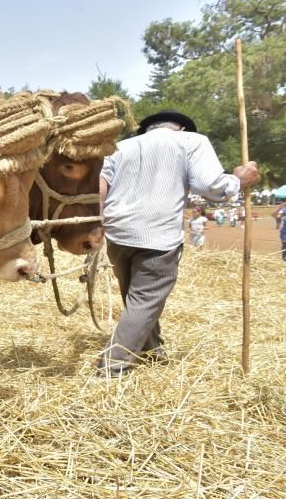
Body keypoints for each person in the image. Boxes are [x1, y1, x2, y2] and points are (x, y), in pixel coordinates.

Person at [97, 109, 259, 377]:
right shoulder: (192, 142)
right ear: (182, 129)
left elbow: (100, 185)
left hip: (117, 234)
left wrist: (97, 221)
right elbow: (210, 186)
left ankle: (152, 352)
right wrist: (239, 180)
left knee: (135, 299)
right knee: (144, 301)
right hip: (157, 236)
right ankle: (113, 367)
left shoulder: (119, 148)